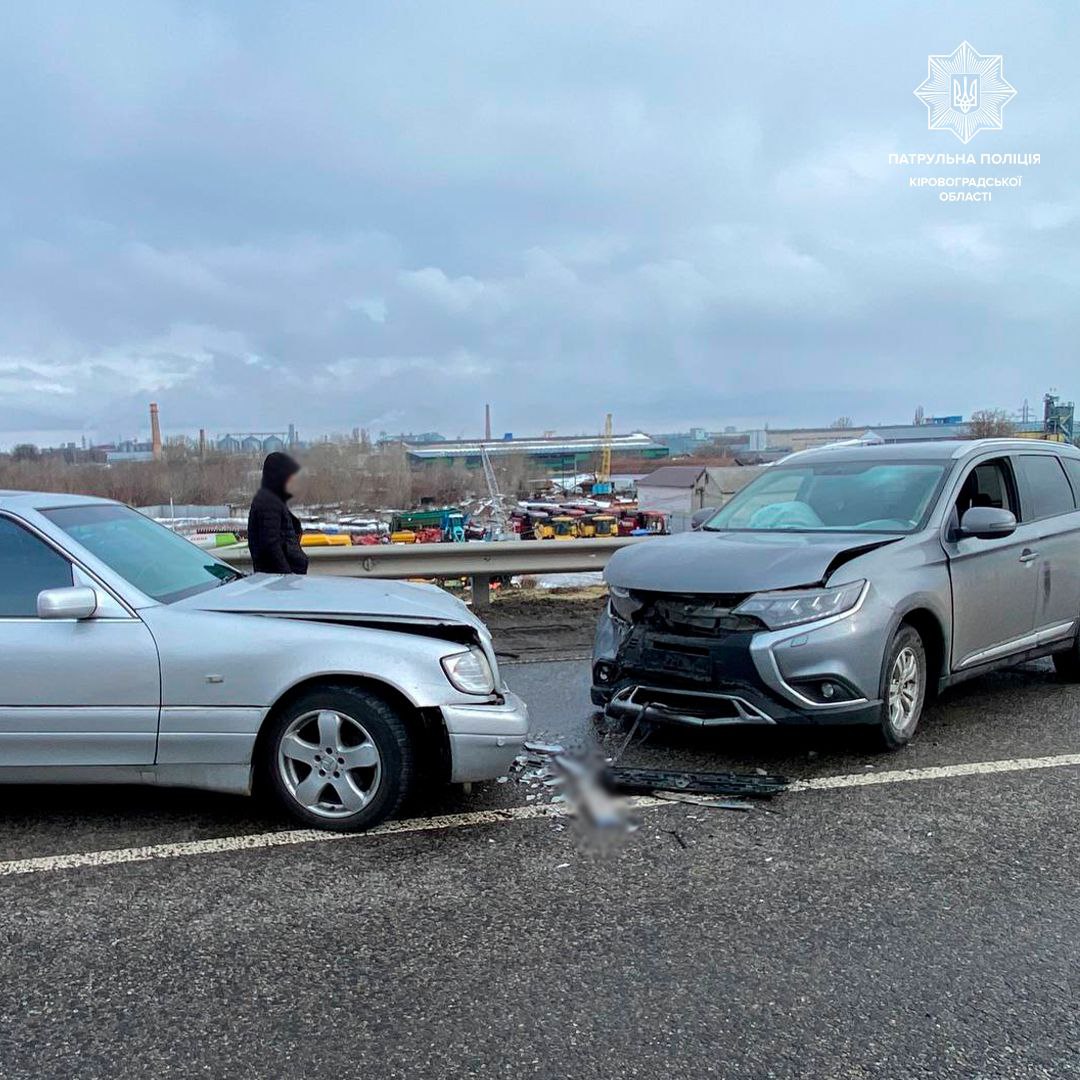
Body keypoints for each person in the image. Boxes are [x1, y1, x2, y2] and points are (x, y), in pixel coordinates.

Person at [247, 452, 309, 574]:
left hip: (280, 577)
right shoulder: (268, 502)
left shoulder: (273, 499)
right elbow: (270, 544)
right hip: (279, 580)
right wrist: (286, 574)